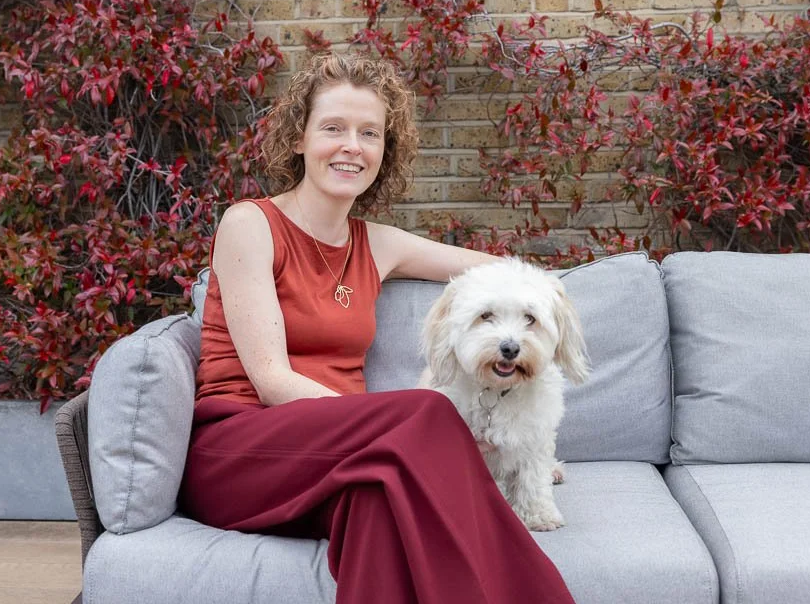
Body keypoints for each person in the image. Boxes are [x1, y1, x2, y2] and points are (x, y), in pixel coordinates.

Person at [177, 53, 576, 604]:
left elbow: (497, 274)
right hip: (243, 451)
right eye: (333, 128)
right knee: (430, 409)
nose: (352, 146)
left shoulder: (379, 244)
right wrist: (390, 429)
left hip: (341, 460)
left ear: (384, 151)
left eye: (370, 133)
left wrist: (544, 297)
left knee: (378, 504)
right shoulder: (250, 224)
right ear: (298, 138)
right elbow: (272, 383)